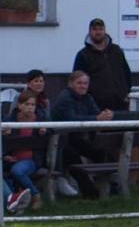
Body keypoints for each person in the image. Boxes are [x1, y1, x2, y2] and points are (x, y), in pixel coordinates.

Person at [52, 71, 115, 199]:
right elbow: (71, 119)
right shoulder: (65, 98)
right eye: (79, 83)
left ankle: (112, 186)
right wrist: (97, 118)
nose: (83, 86)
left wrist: (107, 115)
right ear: (70, 84)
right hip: (60, 141)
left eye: (85, 83)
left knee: (103, 154)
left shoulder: (87, 97)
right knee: (74, 158)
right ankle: (90, 192)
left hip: (77, 138)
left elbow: (96, 114)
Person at [73, 18, 132, 112]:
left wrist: (126, 93)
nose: (98, 32)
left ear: (104, 31)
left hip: (120, 103)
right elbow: (77, 80)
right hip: (95, 106)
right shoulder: (83, 55)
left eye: (100, 29)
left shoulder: (116, 51)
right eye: (95, 29)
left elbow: (126, 73)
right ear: (90, 31)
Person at [2, 90, 47, 212]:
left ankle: (36, 195)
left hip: (31, 160)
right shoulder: (9, 120)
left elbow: (54, 130)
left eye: (33, 105)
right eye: (27, 104)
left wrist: (45, 131)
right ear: (19, 105)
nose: (30, 107)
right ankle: (14, 201)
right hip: (10, 159)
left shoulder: (41, 119)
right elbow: (3, 142)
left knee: (17, 171)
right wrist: (5, 155)